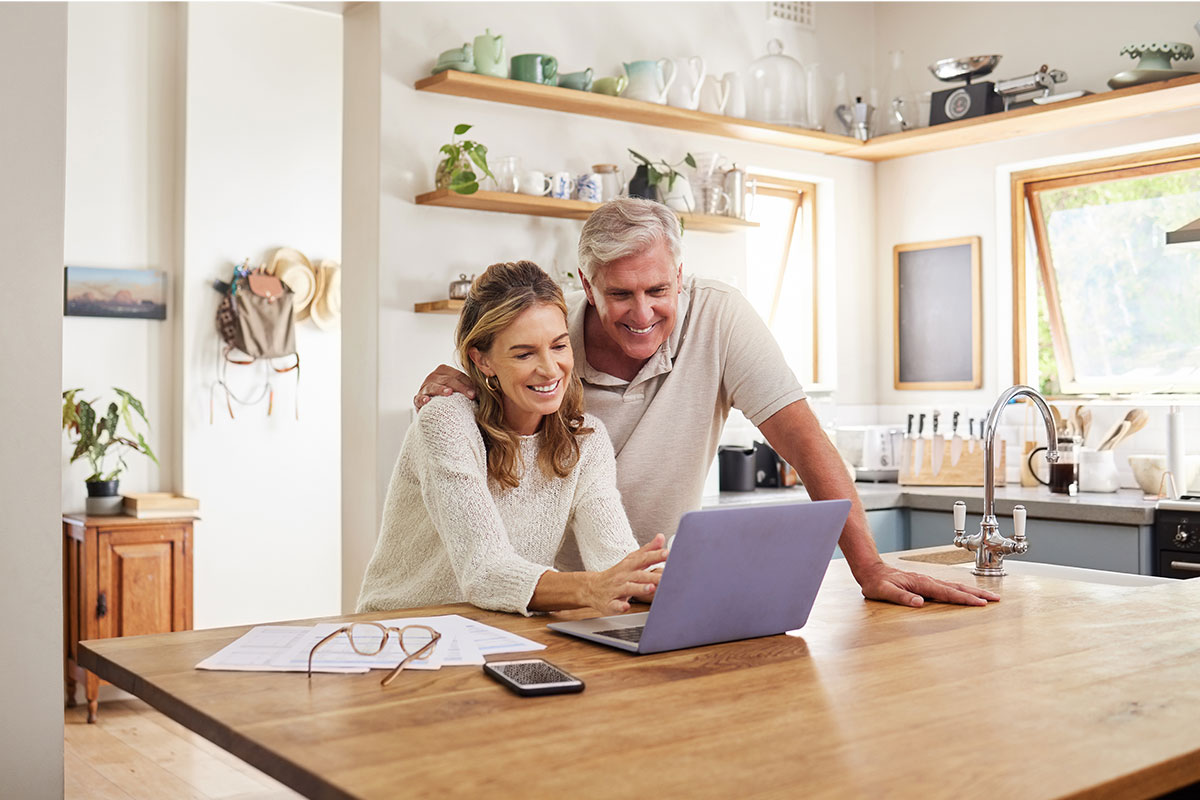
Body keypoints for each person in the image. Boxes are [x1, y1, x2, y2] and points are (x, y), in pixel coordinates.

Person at [415, 198, 998, 609]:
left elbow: (809, 447)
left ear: (681, 277)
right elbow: (497, 365)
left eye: (658, 290)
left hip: (625, 597)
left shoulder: (718, 319)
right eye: (619, 294)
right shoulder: (553, 337)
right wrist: (468, 379)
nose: (641, 314)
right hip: (515, 595)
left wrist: (868, 568)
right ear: (586, 287)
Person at [358, 260, 666, 616]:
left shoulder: (586, 441)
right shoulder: (446, 423)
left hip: (502, 632)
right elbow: (485, 571)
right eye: (524, 353)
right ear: (482, 360)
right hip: (400, 634)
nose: (550, 369)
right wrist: (592, 587)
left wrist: (684, 582)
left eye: (559, 346)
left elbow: (614, 558)